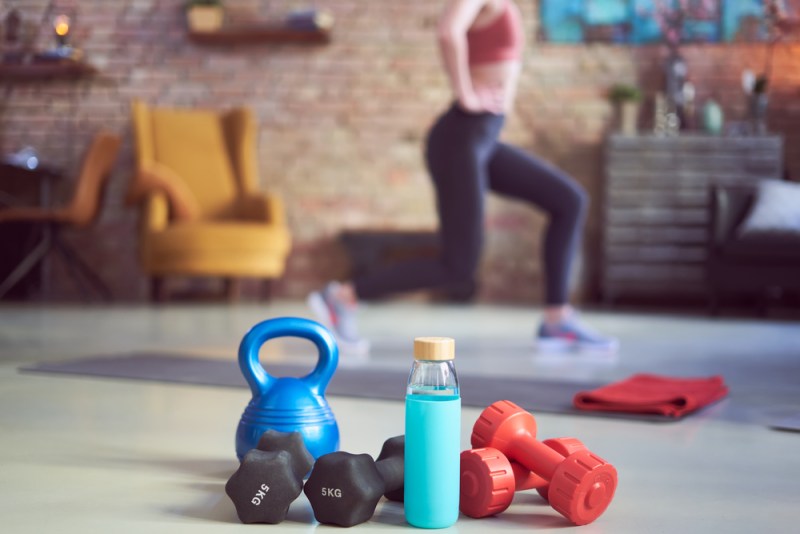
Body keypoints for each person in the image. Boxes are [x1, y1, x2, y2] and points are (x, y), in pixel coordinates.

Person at [309, 0, 617, 353]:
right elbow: (448, 31)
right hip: (462, 137)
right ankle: (342, 297)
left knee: (568, 200)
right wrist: (466, 95)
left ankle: (557, 319)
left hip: (482, 139)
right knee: (458, 266)